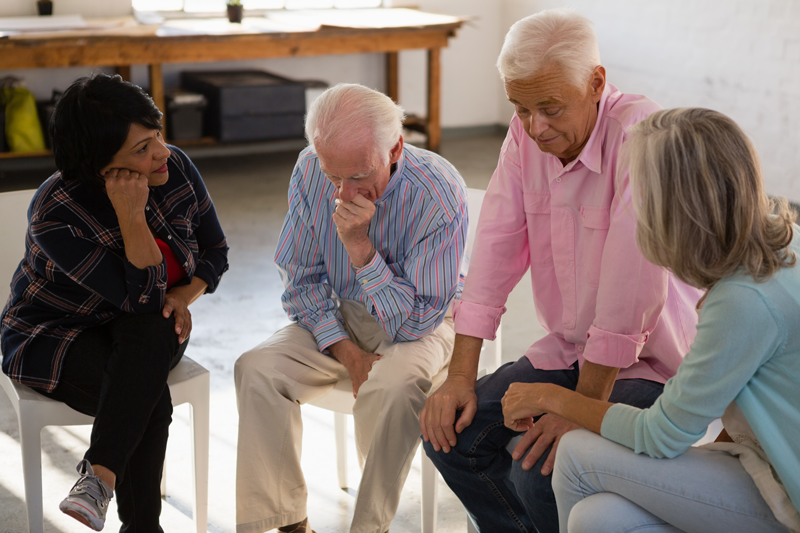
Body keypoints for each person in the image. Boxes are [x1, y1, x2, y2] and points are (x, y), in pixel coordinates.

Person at [419, 9, 704, 533]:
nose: (534, 127)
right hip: (569, 351)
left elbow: (629, 288)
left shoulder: (642, 133)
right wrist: (459, 375)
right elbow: (495, 248)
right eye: (520, 108)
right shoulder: (525, 132)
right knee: (450, 436)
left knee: (538, 467)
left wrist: (582, 406)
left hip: (654, 365)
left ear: (596, 82)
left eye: (549, 108)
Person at [502, 107, 800, 533]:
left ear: (674, 210)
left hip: (786, 490)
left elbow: (662, 434)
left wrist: (551, 398)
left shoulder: (744, 300)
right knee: (595, 519)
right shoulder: (775, 248)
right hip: (766, 464)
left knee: (574, 454)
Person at [234, 83, 467, 533]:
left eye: (359, 176)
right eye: (333, 176)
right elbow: (299, 277)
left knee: (393, 387)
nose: (343, 193)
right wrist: (345, 349)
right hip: (340, 313)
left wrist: (360, 250)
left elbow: (417, 319)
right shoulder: (307, 171)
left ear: (396, 147)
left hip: (426, 320)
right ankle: (289, 524)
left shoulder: (437, 191)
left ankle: (368, 528)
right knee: (256, 368)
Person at [0, 73, 229, 532]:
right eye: (141, 149)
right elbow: (141, 298)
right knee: (149, 397)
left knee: (152, 329)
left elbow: (215, 254)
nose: (162, 152)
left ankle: (98, 479)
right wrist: (130, 213)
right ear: (102, 167)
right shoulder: (56, 215)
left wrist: (184, 295)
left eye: (157, 133)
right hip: (57, 334)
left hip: (151, 326)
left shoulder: (176, 167)